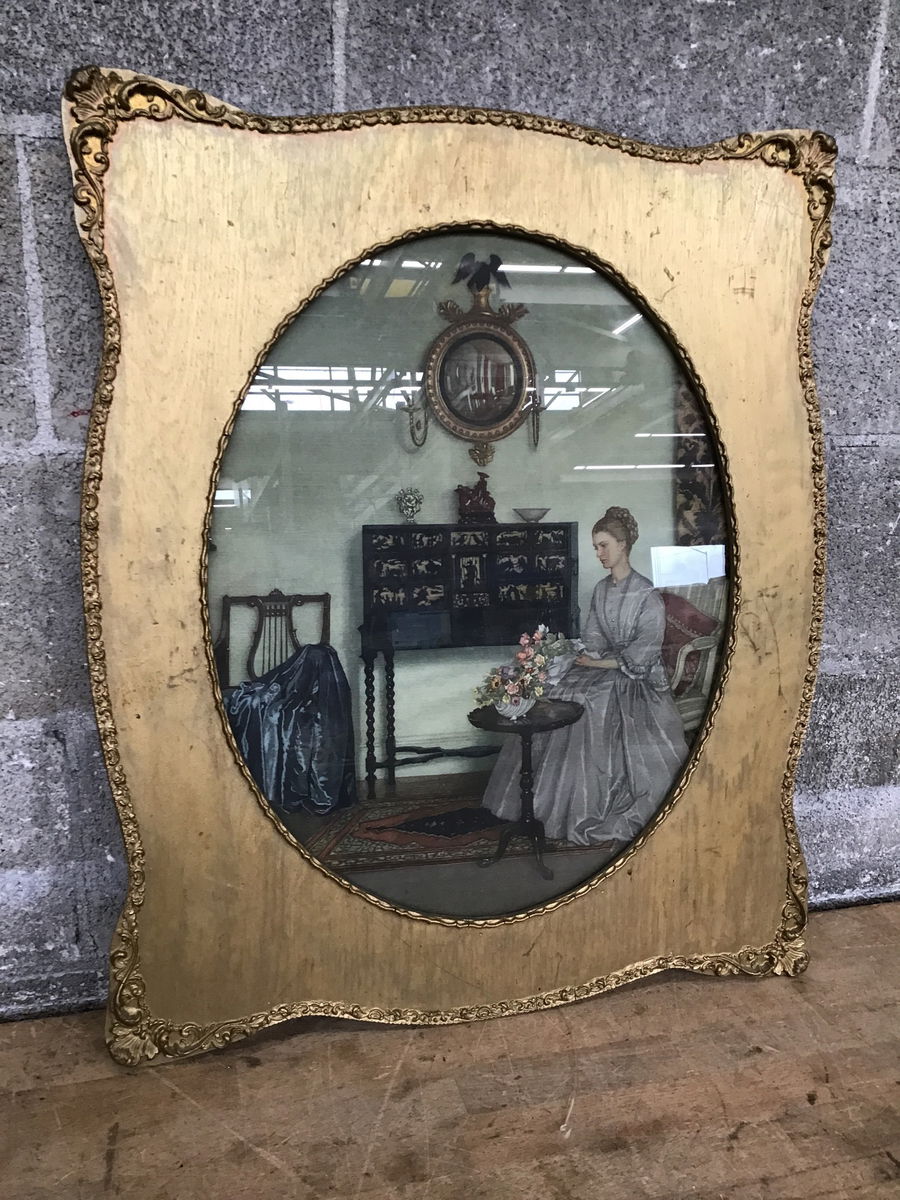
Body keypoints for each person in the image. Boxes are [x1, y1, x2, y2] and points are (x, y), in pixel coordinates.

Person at [481, 506, 688, 847]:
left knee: (592, 700)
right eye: (595, 547)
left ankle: (589, 804)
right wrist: (582, 655)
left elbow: (643, 654)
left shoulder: (647, 595)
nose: (599, 553)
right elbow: (593, 637)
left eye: (604, 545)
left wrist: (597, 664)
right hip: (603, 666)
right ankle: (543, 804)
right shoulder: (602, 589)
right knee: (563, 692)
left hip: (637, 681)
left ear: (623, 544)